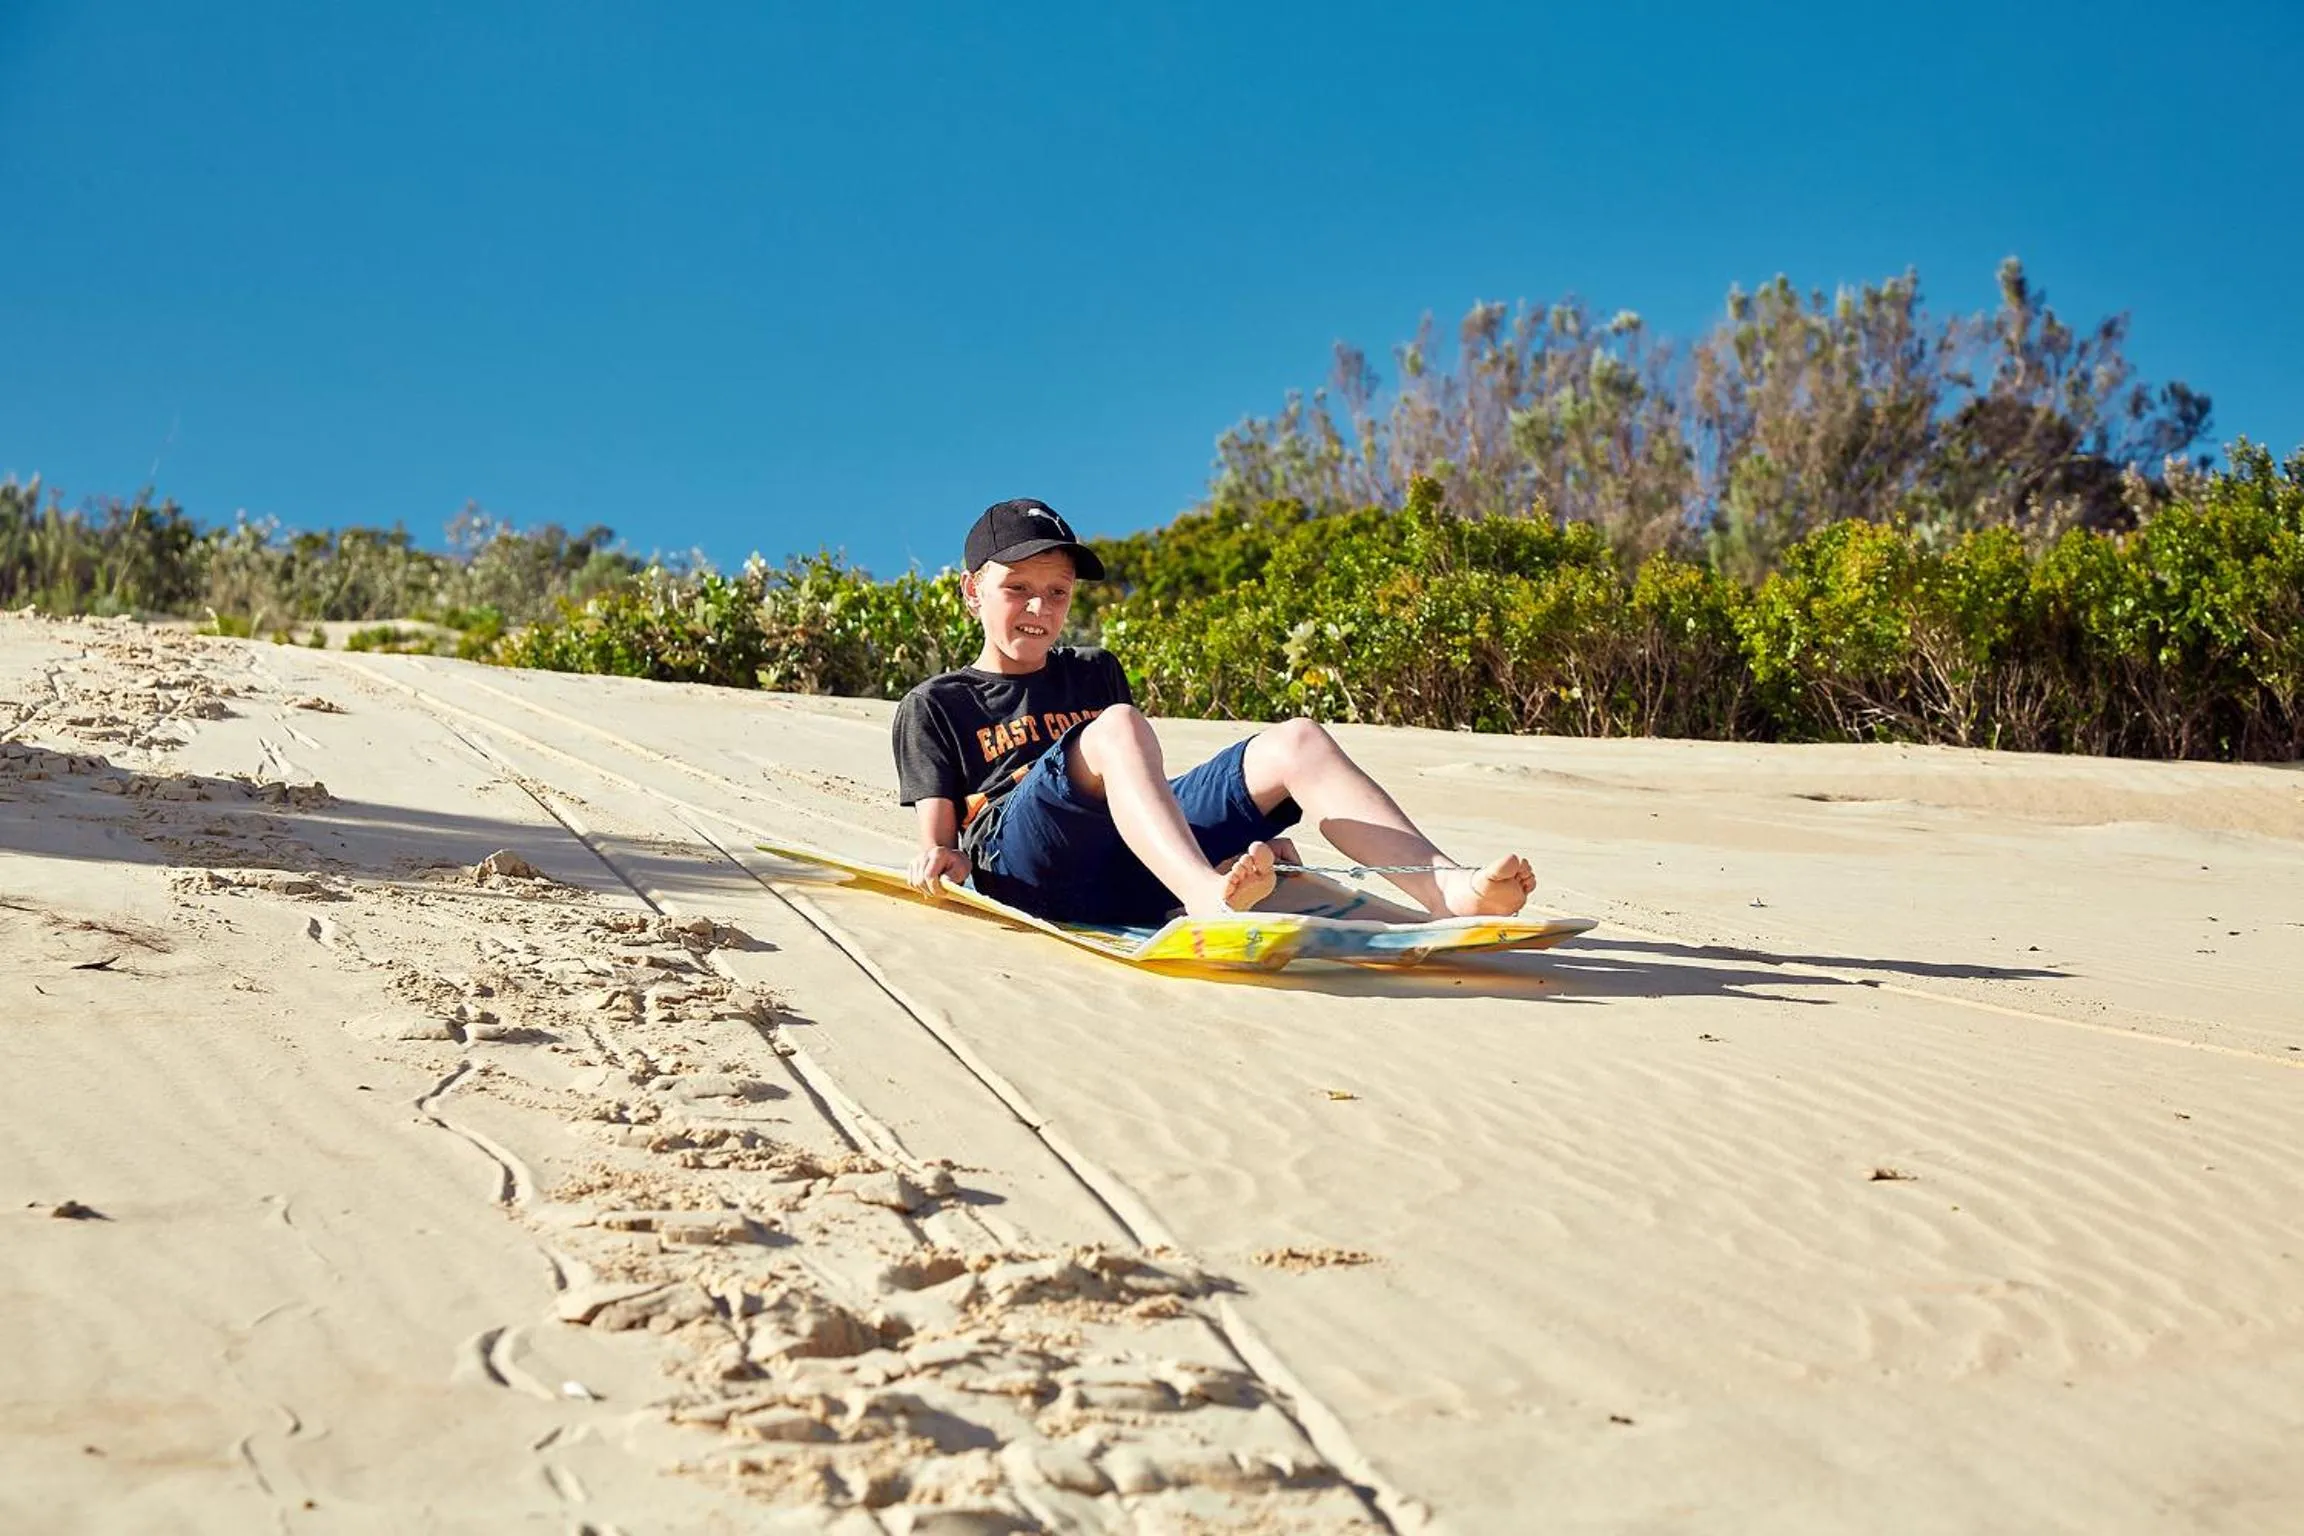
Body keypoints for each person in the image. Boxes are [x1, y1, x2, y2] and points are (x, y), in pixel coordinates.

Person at [890, 498, 1537, 928]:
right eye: (1017, 590)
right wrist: (940, 861)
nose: (1039, 609)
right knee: (1116, 729)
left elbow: (1140, 794)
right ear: (973, 591)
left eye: (1056, 592)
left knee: (1298, 741)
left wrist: (1230, 834)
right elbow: (940, 845)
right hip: (1026, 866)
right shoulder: (937, 704)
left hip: (1130, 871)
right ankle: (1206, 897)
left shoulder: (1094, 673)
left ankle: (1448, 891)